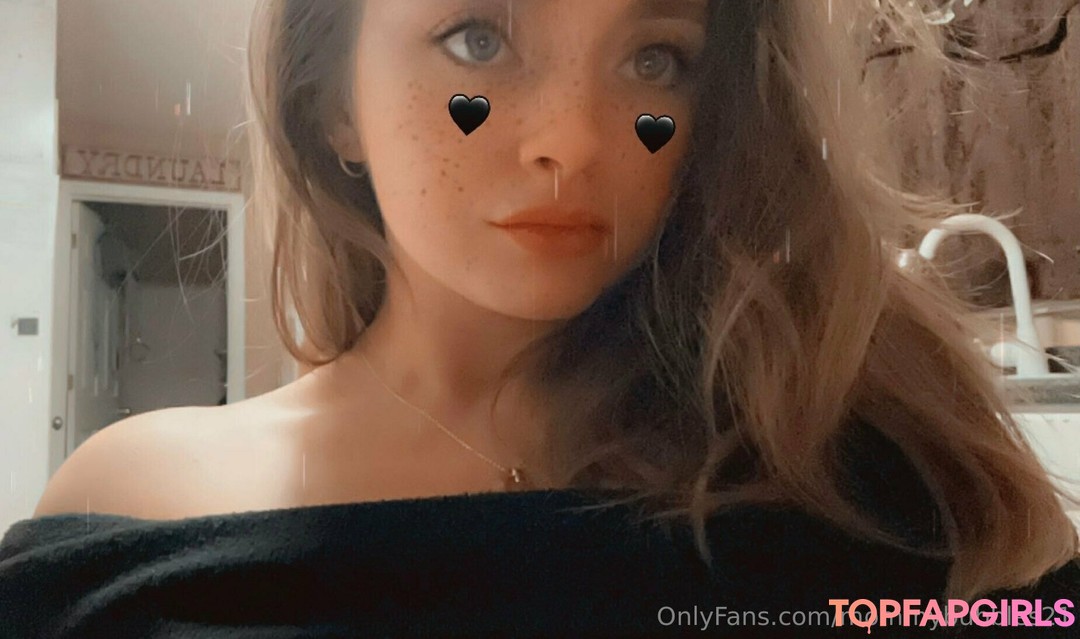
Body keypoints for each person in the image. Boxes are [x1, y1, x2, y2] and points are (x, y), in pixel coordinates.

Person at [5, 0, 1079, 636]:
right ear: (332, 103)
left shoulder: (849, 468)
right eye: (478, 38)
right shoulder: (133, 510)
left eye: (655, 59)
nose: (576, 140)